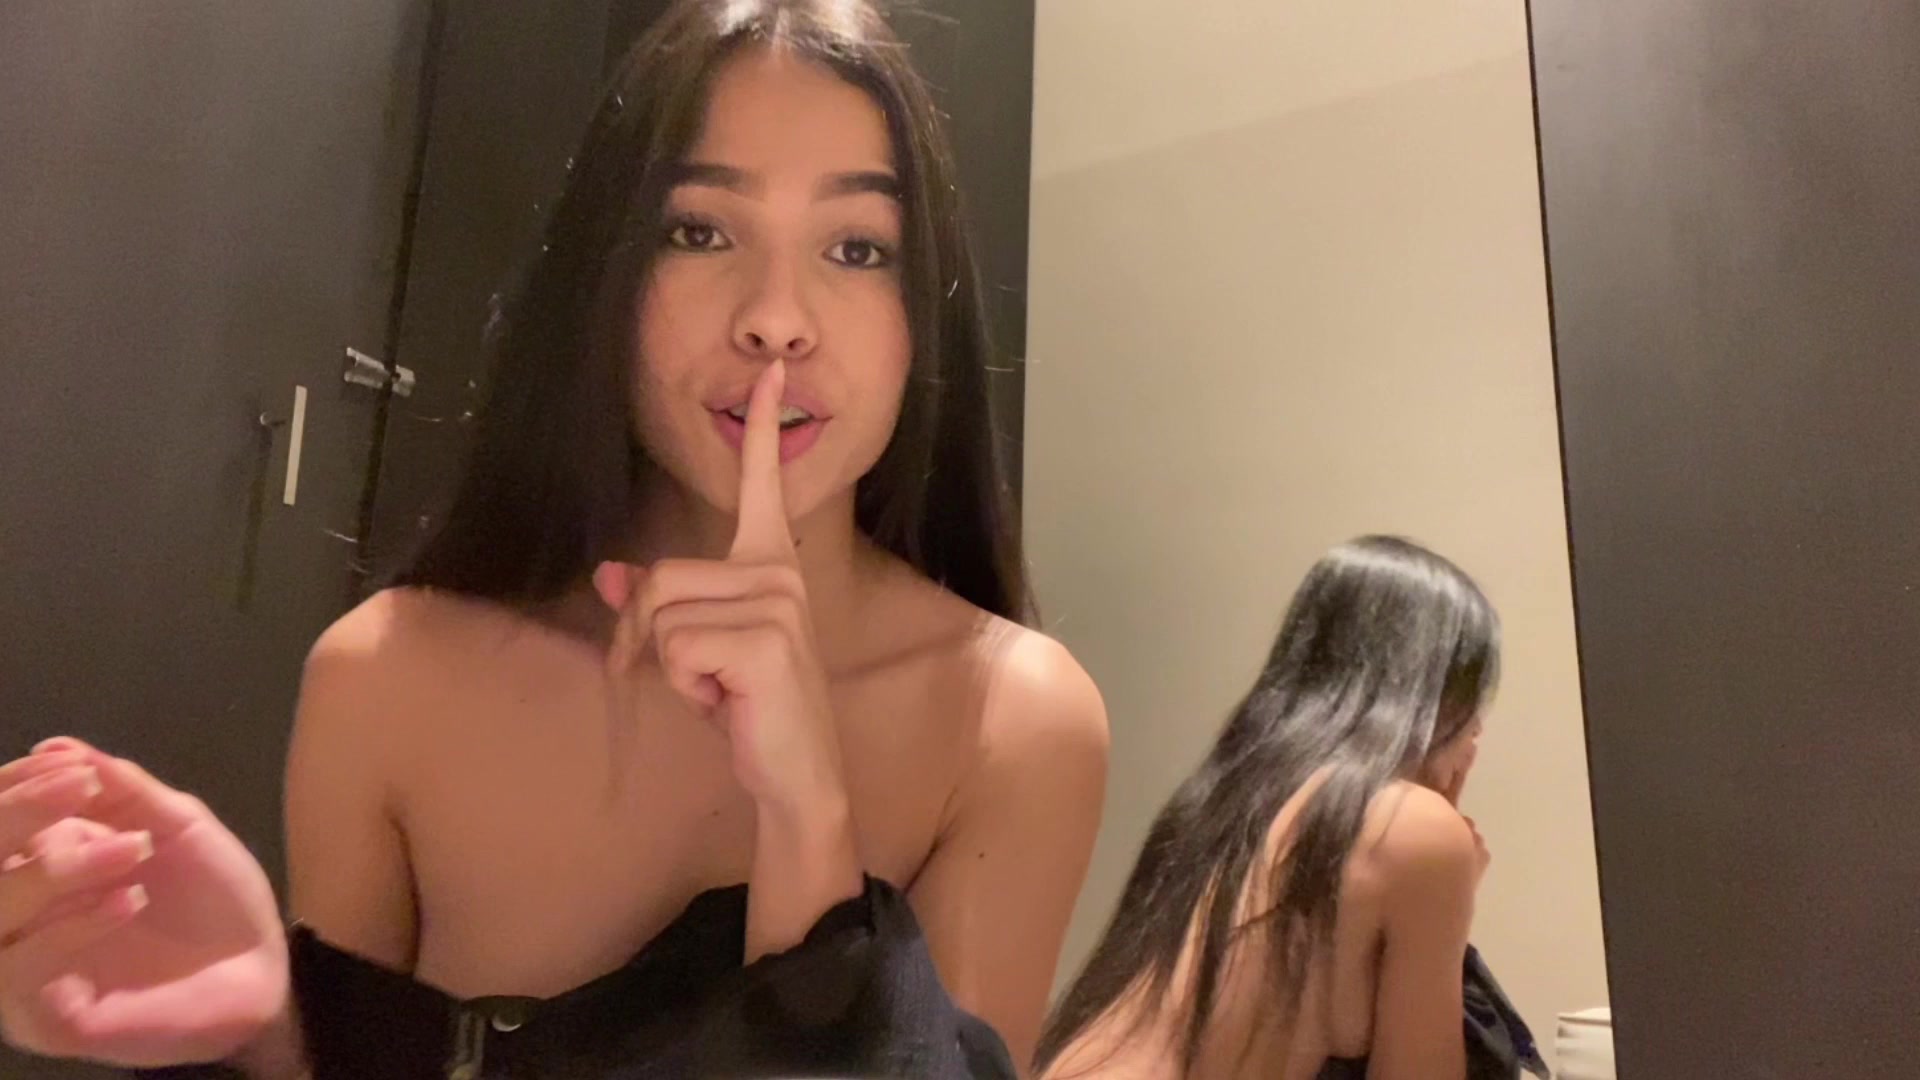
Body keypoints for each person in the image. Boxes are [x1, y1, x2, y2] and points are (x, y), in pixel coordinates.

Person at [0, 1, 1109, 1076]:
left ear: (925, 315)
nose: (777, 318)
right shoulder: (387, 680)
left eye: (858, 248)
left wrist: (810, 830)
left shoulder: (1011, 723)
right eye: (700, 231)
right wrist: (259, 1039)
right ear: (605, 278)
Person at [1036, 537, 1543, 1080]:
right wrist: (1451, 886)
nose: (1475, 735)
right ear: (1441, 700)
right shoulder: (1413, 829)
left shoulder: (1233, 797)